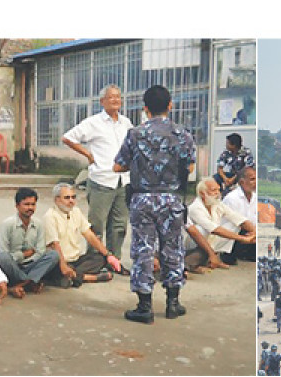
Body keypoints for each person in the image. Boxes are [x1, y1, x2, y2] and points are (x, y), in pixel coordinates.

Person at [113, 85, 196, 324]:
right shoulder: (183, 134)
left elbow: (118, 166)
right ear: (170, 106)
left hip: (143, 199)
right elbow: (189, 167)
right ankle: (172, 303)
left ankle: (144, 306)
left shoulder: (135, 134)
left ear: (145, 109)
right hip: (171, 199)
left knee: (143, 250)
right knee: (173, 249)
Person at [62, 85, 133, 262]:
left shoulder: (126, 123)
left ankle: (114, 260)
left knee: (119, 225)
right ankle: (95, 261)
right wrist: (87, 154)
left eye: (118, 97)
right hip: (102, 180)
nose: (116, 100)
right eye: (111, 97)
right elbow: (68, 138)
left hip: (123, 181)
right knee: (97, 225)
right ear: (102, 101)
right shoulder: (93, 122)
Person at [43, 182, 120, 289]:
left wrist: (108, 255)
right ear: (57, 200)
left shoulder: (76, 211)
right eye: (67, 198)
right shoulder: (50, 216)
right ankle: (89, 277)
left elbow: (89, 235)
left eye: (73, 197)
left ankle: (73, 277)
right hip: (60, 261)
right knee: (59, 271)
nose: (71, 201)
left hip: (77, 260)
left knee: (100, 259)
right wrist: (63, 266)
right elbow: (54, 245)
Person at [0, 187, 61, 297]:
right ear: (17, 206)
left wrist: (30, 258)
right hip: (13, 266)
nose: (30, 208)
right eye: (26, 204)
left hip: (31, 265)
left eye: (33, 204)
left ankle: (22, 284)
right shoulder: (7, 224)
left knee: (53, 255)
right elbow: (2, 253)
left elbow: (40, 251)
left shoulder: (38, 224)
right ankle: (30, 282)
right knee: (3, 258)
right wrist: (23, 255)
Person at [184, 178, 256, 270]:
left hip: (211, 241)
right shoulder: (195, 208)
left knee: (234, 224)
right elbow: (214, 230)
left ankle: (214, 257)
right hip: (196, 242)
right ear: (202, 193)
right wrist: (243, 238)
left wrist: (254, 232)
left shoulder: (217, 204)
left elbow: (238, 218)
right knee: (201, 229)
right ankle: (204, 259)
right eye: (214, 190)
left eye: (218, 189)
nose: (218, 193)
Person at [220, 166, 257, 262]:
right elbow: (239, 222)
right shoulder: (232, 198)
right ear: (241, 182)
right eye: (252, 179)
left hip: (251, 233)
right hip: (236, 233)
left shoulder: (255, 197)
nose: (256, 182)